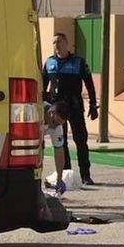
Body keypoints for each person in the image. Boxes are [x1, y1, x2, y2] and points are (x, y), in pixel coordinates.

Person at [43, 32, 98, 187]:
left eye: (59, 42)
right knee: (61, 142)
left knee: (81, 140)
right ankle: (66, 174)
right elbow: (42, 85)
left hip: (74, 107)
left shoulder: (78, 62)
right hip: (57, 109)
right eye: (54, 42)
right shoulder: (49, 63)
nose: (57, 45)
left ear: (67, 43)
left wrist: (93, 105)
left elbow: (90, 85)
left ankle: (85, 175)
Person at [43, 100, 71, 197]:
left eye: (60, 124)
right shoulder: (35, 114)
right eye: (55, 122)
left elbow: (59, 151)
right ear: (51, 113)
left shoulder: (57, 126)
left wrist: (59, 178)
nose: (56, 126)